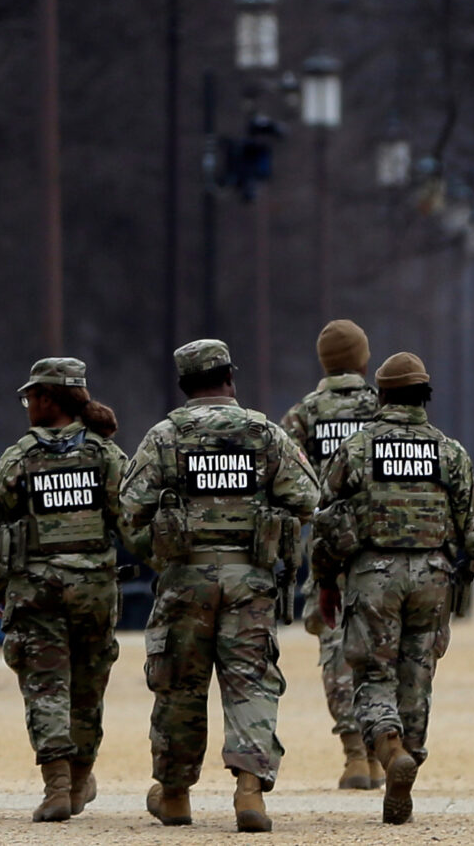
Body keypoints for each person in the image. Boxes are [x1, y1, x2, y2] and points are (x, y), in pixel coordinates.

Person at [121, 338, 321, 832]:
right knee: (251, 681)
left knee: (179, 685)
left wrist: (160, 549)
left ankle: (174, 794)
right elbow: (308, 497)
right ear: (230, 376)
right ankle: (249, 792)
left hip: (184, 579)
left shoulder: (165, 436)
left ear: (185, 384)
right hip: (250, 578)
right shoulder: (264, 433)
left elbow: (129, 508)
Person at [312, 352, 474, 826]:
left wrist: (325, 580)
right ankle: (410, 757)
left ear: (381, 395)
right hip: (434, 577)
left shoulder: (357, 449)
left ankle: (388, 745)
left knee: (372, 672)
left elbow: (326, 522)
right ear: (425, 396)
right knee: (418, 673)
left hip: (373, 575)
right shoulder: (450, 452)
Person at [0, 356, 128, 822]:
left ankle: (58, 785)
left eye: (30, 397)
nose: (27, 405)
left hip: (35, 588)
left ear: (47, 399)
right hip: (94, 589)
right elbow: (132, 519)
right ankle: (80, 778)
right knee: (88, 685)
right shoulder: (106, 455)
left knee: (45, 686)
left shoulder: (19, 457)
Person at [278, 319, 383, 791]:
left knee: (336, 652)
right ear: (363, 361)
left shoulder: (303, 414)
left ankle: (354, 754)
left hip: (328, 550)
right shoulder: (385, 408)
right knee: (385, 646)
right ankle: (385, 744)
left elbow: (286, 480)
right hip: (384, 547)